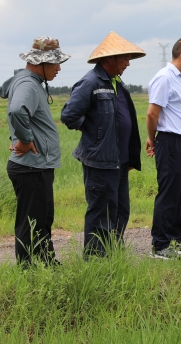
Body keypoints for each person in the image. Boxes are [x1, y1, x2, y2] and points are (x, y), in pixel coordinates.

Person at [61, 31, 145, 258]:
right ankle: (96, 260)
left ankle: (112, 254)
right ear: (110, 59)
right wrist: (96, 133)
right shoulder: (90, 82)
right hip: (100, 161)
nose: (128, 63)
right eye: (124, 58)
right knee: (101, 212)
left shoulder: (117, 83)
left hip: (119, 161)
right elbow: (69, 115)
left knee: (120, 210)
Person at [0, 37, 70, 266]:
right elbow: (17, 110)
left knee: (41, 220)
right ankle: (31, 271)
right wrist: (26, 139)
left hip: (36, 165)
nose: (59, 68)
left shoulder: (30, 82)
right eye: (55, 63)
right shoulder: (29, 84)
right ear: (40, 62)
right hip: (31, 166)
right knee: (32, 222)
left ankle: (46, 264)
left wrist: (20, 137)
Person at [146, 36, 181, 259]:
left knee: (180, 193)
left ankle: (177, 239)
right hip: (169, 141)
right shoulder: (164, 78)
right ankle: (160, 245)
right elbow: (152, 113)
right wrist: (152, 138)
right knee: (169, 193)